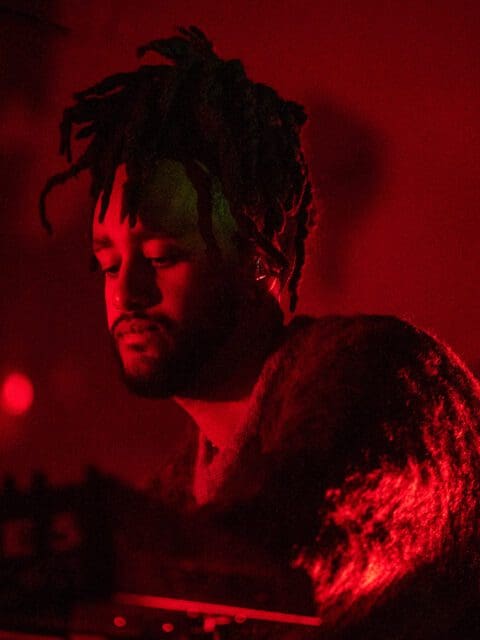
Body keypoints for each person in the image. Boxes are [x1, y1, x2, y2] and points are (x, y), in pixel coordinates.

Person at [40, 26, 480, 639]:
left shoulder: (386, 374)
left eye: (162, 255)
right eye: (108, 263)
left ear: (259, 258)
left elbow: (294, 544)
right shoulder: (172, 498)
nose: (126, 293)